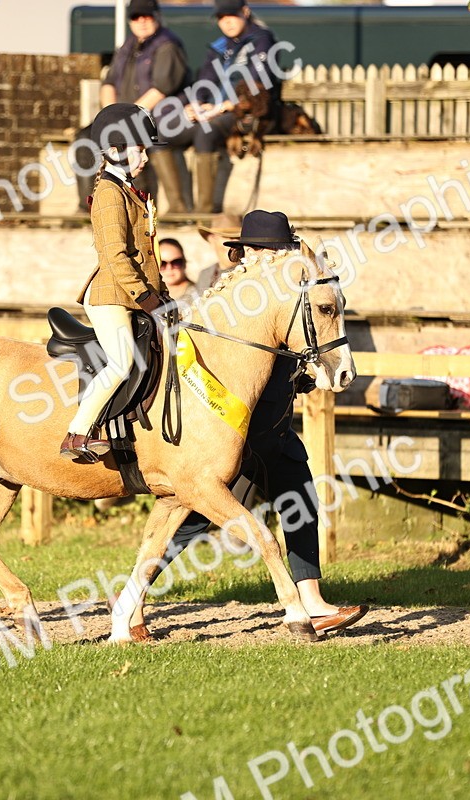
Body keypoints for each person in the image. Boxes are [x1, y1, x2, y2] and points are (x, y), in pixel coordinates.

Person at [141, 211, 368, 637]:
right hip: (228, 428)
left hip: (272, 428)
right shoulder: (231, 293)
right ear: (249, 252)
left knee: (299, 500)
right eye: (269, 250)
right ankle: (135, 591)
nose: (276, 258)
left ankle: (313, 601)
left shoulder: (286, 288)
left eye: (281, 250)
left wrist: (308, 370)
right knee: (190, 512)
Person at [61, 103, 169, 462]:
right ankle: (78, 433)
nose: (146, 158)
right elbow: (115, 257)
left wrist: (164, 298)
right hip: (111, 296)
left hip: (134, 293)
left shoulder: (128, 191)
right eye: (140, 149)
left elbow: (147, 255)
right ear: (114, 151)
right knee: (121, 362)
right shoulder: (109, 193)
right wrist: (147, 298)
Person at [163, 0, 282, 214]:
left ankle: (205, 212)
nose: (227, 22)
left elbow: (256, 88)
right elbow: (204, 80)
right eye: (221, 17)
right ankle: (179, 209)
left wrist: (221, 107)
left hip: (244, 113)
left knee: (204, 134)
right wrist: (196, 105)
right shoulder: (219, 46)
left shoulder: (262, 40)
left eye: (232, 15)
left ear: (245, 12)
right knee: (162, 136)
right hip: (212, 111)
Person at [73, 0, 192, 215]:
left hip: (155, 117)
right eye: (136, 17)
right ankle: (87, 208)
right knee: (84, 138)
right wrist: (110, 117)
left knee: (135, 143)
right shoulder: (126, 46)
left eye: (147, 16)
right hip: (123, 117)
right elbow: (108, 83)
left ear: (157, 17)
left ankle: (141, 207)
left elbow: (161, 88)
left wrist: (127, 119)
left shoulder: (168, 46)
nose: (142, 21)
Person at [158, 237, 200, 306]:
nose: (169, 268)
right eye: (162, 263)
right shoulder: (150, 297)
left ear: (184, 263)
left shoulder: (199, 295)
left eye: (176, 262)